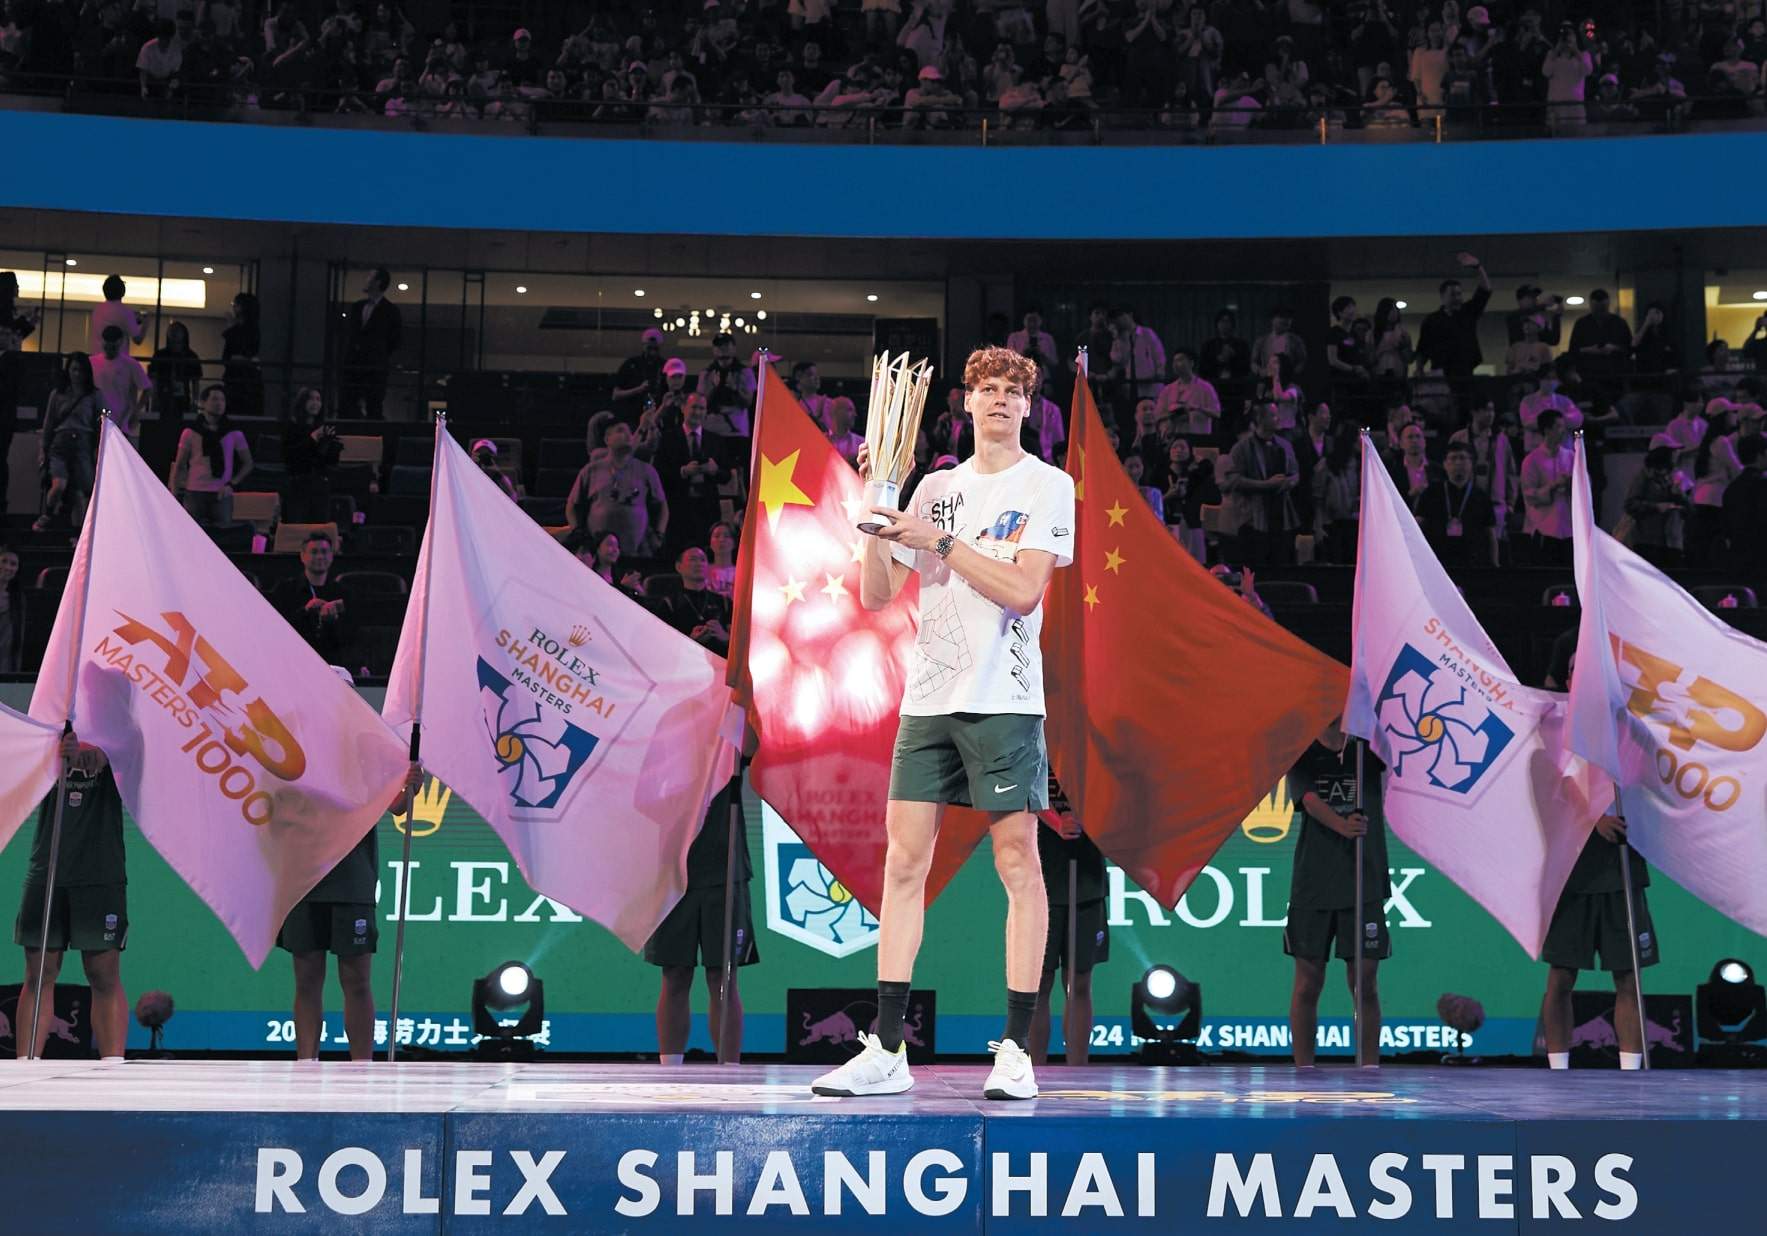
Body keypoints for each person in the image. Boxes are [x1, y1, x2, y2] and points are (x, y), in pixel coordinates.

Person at [813, 345, 1074, 1101]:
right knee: (901, 864)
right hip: (928, 697)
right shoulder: (933, 487)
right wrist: (874, 516)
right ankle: (887, 1048)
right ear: (964, 403)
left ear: (1028, 407)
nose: (997, 400)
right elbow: (873, 594)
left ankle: (1018, 1052)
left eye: (1011, 391)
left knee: (1017, 864)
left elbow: (1023, 592)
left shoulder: (1046, 485)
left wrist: (941, 543)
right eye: (986, 388)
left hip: (1007, 697)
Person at [278, 728, 422, 1062]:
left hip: (352, 881)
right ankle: (306, 1064)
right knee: (307, 976)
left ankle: (362, 1065)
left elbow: (397, 807)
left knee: (356, 978)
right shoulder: (290, 753)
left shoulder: (365, 761)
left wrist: (411, 784)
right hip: (304, 878)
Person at [13, 730, 128, 1060]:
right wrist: (53, 751)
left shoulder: (121, 730)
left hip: (100, 874)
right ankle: (26, 1066)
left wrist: (105, 749)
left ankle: (113, 1068)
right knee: (39, 972)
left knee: (102, 972)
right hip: (47, 871)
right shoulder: (46, 732)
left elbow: (133, 753)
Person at [1285, 716, 1388, 1068]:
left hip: (1364, 881)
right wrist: (1343, 825)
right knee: (1308, 983)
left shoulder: (1367, 750)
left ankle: (1370, 1067)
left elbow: (1402, 749)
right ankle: (1304, 1068)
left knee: (1365, 980)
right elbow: (1309, 800)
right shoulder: (1301, 750)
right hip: (1314, 884)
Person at [643, 775, 756, 1064]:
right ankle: (671, 1072)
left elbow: (754, 749)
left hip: (725, 870)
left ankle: (729, 1071)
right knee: (675, 974)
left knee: (723, 976)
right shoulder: (663, 740)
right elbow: (640, 796)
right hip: (672, 870)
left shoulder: (728, 738)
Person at [1540, 814, 1658, 1072]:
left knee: (1628, 978)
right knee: (1561, 978)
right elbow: (1556, 788)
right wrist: (1591, 817)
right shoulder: (1571, 771)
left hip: (1623, 872)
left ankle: (1631, 1073)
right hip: (1571, 875)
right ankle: (1558, 1070)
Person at [1027, 785, 1106, 1067]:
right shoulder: (1033, 745)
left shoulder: (1096, 750)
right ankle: (1033, 1070)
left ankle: (1078, 1070)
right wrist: (1056, 821)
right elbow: (1021, 791)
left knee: (1079, 981)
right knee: (1039, 982)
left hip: (1087, 879)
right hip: (1041, 877)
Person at [564, 421, 668, 559]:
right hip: (598, 550)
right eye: (620, 431)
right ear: (607, 439)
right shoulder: (591, 470)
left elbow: (662, 506)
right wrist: (577, 531)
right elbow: (571, 505)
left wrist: (659, 534)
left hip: (636, 550)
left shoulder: (646, 470)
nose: (627, 435)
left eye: (629, 432)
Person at [1222, 401, 1300, 565]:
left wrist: (1289, 482)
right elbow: (1233, 480)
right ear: (1260, 418)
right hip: (1253, 519)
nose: (1278, 419)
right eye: (1273, 415)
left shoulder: (1285, 445)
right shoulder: (1242, 448)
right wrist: (1265, 485)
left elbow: (1295, 474)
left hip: (1281, 516)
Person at [34, 353, 102, 533]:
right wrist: (43, 449)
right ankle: (47, 514)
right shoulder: (58, 394)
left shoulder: (93, 395)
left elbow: (100, 422)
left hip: (82, 444)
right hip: (61, 443)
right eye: (74, 370)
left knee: (81, 492)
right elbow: (48, 423)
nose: (77, 374)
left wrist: (97, 448)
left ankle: (78, 533)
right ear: (68, 371)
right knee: (59, 485)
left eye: (81, 370)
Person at [167, 385, 252, 527]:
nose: (219, 403)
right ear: (203, 403)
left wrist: (232, 484)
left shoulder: (233, 432)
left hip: (221, 492)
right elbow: (180, 463)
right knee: (192, 533)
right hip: (195, 491)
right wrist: (174, 491)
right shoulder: (191, 432)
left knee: (221, 536)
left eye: (222, 400)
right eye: (214, 399)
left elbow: (248, 462)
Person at [655, 393, 727, 555]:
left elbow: (726, 475)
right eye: (694, 407)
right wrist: (683, 472)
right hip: (678, 508)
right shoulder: (668, 438)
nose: (697, 412)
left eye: (702, 408)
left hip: (707, 508)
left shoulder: (715, 440)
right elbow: (658, 472)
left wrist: (715, 470)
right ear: (683, 408)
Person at [1415, 441, 1497, 567]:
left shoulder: (1481, 497)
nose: (1458, 462)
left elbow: (1490, 535)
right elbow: (1418, 527)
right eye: (1453, 458)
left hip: (1473, 564)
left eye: (1463, 458)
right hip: (1438, 562)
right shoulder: (1431, 493)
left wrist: (1495, 563)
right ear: (1445, 464)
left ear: (1471, 464)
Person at [273, 530, 350, 662]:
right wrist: (306, 611)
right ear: (302, 556)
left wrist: (332, 621)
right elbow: (277, 632)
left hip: (332, 663)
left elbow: (348, 638)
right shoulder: (285, 590)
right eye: (314, 552)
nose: (320, 557)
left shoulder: (342, 593)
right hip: (293, 659)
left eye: (324, 552)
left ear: (331, 556)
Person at [1414, 253, 1492, 379]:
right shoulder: (1432, 320)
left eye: (1459, 294)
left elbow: (1486, 290)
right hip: (1441, 374)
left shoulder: (1467, 312)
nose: (1457, 298)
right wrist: (1419, 369)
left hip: (1465, 371)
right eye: (1453, 294)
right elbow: (1422, 348)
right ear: (1442, 296)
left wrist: (1478, 267)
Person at [338, 267, 401, 419]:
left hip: (375, 366)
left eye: (370, 277)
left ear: (377, 282)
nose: (366, 280)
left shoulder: (390, 311)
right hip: (355, 364)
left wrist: (378, 354)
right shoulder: (358, 307)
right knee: (349, 402)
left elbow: (395, 339)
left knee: (374, 404)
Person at [1520, 407, 1574, 566]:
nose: (1563, 431)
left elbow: (1585, 487)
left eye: (1563, 426)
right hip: (1544, 527)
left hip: (1569, 527)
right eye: (1558, 427)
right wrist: (1553, 486)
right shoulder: (1532, 460)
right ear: (1547, 430)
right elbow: (1529, 495)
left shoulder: (1571, 456)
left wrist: (1572, 484)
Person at [654, 545, 732, 655]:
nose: (699, 564)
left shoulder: (724, 602)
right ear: (679, 567)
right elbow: (660, 644)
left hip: (719, 663)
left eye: (703, 560)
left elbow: (741, 642)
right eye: (693, 559)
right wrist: (690, 640)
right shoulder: (669, 604)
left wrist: (724, 637)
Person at [283, 387, 342, 523]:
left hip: (320, 486)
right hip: (297, 485)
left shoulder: (323, 428)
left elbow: (329, 462)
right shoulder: (292, 427)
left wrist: (329, 444)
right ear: (302, 402)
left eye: (318, 399)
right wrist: (313, 438)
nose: (315, 403)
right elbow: (292, 456)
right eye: (311, 399)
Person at [91, 325, 152, 438]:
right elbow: (147, 388)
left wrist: (136, 412)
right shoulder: (92, 363)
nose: (109, 347)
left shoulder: (130, 364)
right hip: (100, 421)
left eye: (112, 345)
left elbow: (147, 388)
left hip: (121, 422)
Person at [613, 328, 667, 423]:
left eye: (655, 348)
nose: (652, 352)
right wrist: (638, 390)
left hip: (657, 418)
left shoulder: (665, 366)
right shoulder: (631, 364)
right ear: (643, 346)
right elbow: (616, 395)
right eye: (649, 348)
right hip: (632, 417)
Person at [87, 274, 145, 354]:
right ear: (123, 292)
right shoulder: (126, 312)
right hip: (118, 361)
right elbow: (138, 339)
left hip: (97, 359)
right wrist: (146, 323)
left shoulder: (97, 310)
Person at [0, 543, 22, 674]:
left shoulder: (18, 601)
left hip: (5, 667)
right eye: (4, 561)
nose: (8, 567)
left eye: (13, 564)